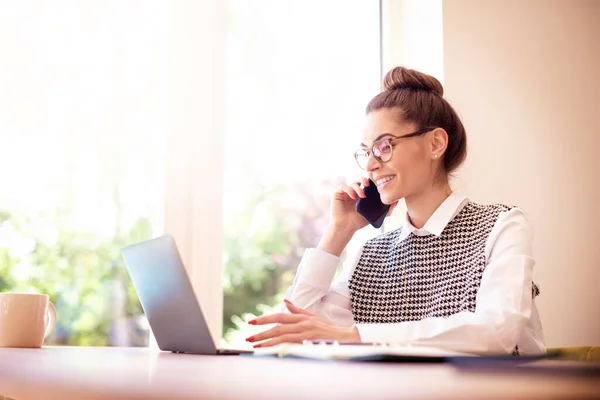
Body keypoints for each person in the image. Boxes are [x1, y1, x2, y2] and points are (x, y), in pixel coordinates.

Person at [245, 66, 546, 355]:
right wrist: (340, 231)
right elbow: (295, 328)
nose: (372, 164)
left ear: (435, 143)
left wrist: (356, 335)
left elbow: (496, 331)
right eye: (366, 152)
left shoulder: (501, 226)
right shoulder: (370, 253)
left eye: (384, 146)